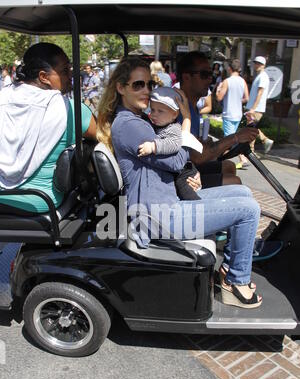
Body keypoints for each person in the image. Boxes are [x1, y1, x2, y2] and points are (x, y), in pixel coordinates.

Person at [97, 57, 262, 308]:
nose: (146, 91)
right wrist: (184, 118)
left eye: (149, 84)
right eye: (138, 85)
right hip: (157, 216)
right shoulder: (130, 125)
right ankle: (237, 282)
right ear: (121, 88)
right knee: (248, 211)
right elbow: (175, 161)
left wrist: (183, 148)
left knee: (243, 192)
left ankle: (230, 270)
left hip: (166, 203)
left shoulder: (141, 118)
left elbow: (176, 154)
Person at [0, 42, 96, 213]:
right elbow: (104, 135)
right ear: (44, 77)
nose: (71, 75)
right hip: (40, 199)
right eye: (65, 71)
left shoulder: (3, 97)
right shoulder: (70, 109)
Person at [176, 51, 255, 188]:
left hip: (191, 168)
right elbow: (197, 158)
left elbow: (197, 150)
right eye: (204, 75)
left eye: (210, 75)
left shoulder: (193, 108)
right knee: (235, 183)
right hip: (182, 178)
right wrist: (235, 138)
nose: (210, 80)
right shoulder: (179, 109)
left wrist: (207, 144)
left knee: (229, 166)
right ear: (187, 77)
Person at [137, 86, 204, 201]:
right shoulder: (157, 124)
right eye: (152, 110)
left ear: (174, 114)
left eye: (160, 111)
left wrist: (154, 146)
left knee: (183, 187)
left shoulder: (173, 129)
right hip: (176, 170)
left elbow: (173, 144)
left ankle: (195, 204)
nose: (154, 114)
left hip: (184, 171)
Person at [216, 59, 249, 168]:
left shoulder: (227, 81)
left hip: (229, 113)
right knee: (232, 137)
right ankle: (225, 159)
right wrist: (237, 100)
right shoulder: (242, 81)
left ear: (229, 68)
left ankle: (239, 158)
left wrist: (218, 90)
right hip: (238, 113)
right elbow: (246, 98)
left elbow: (219, 97)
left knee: (229, 139)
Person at [245, 56, 274, 154]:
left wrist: (253, 108)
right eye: (256, 63)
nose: (257, 65)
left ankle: (262, 142)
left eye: (259, 63)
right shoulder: (260, 76)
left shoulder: (263, 76)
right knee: (251, 129)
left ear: (264, 65)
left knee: (251, 129)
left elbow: (260, 93)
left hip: (256, 109)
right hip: (254, 108)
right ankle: (255, 148)